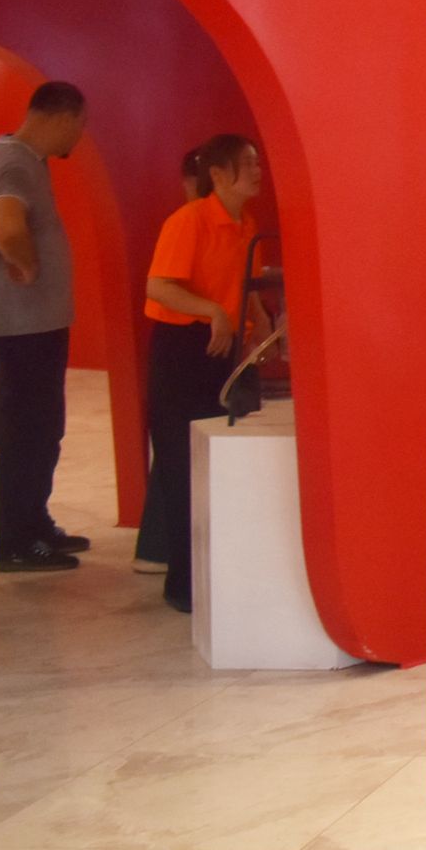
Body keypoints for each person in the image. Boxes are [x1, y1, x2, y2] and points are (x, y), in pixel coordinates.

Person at [142, 133, 267, 614]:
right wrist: (211, 311)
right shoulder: (188, 221)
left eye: (256, 162)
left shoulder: (247, 225)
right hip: (181, 351)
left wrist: (258, 325)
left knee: (221, 465)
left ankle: (220, 576)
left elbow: (245, 289)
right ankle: (184, 583)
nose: (256, 171)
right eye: (246, 163)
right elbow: (158, 286)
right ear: (217, 175)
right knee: (182, 467)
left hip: (223, 351)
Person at [0, 80, 91, 573]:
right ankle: (15, 542)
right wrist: (27, 264)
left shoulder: (29, 162)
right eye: (79, 125)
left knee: (44, 429)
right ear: (63, 117)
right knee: (25, 434)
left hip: (38, 324)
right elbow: (8, 226)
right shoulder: (14, 162)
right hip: (21, 326)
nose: (79, 136)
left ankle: (35, 523)